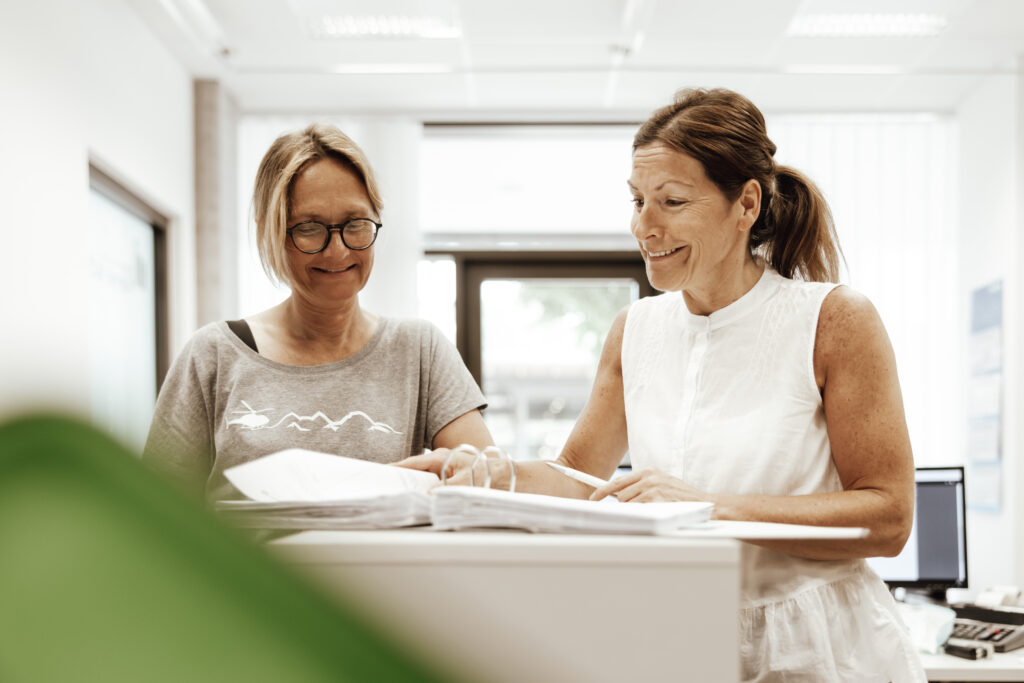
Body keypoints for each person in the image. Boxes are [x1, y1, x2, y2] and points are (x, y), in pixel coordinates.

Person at [399, 88, 924, 682]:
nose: (644, 227)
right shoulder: (636, 330)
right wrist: (486, 473)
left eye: (672, 201)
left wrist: (705, 508)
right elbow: (579, 477)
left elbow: (888, 518)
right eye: (637, 200)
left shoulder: (833, 319)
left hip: (816, 647)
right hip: (678, 634)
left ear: (745, 203)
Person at [144, 123, 493, 500]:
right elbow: (153, 513)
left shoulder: (419, 349)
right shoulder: (213, 355)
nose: (338, 251)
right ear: (273, 232)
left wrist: (457, 473)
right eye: (310, 228)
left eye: (355, 224)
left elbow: (488, 480)